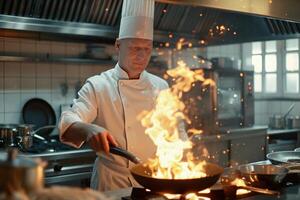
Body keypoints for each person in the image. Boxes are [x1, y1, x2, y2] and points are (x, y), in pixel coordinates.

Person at [58, 0, 169, 191]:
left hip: (154, 182)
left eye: (147, 49)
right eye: (135, 48)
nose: (142, 57)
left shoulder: (161, 86)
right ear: (118, 45)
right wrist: (88, 129)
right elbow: (68, 122)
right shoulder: (98, 85)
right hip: (111, 183)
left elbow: (177, 134)